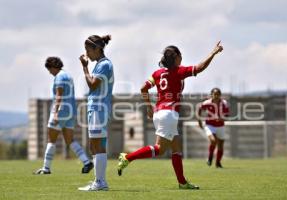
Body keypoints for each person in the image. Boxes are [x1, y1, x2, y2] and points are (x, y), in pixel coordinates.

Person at [117, 41, 223, 189]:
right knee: (159, 150)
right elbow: (200, 68)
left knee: (176, 148)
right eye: (180, 56)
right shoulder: (179, 71)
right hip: (169, 115)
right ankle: (127, 157)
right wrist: (213, 52)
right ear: (176, 57)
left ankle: (182, 182)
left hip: (159, 112)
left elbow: (143, 88)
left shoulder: (157, 73)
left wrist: (149, 108)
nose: (182, 58)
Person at [35, 57, 93, 175]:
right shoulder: (68, 76)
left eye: (49, 69)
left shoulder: (59, 77)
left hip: (61, 111)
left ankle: (46, 168)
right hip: (71, 111)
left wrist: (55, 113)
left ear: (53, 66)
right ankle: (87, 162)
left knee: (51, 139)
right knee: (69, 140)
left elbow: (58, 96)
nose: (49, 72)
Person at [77, 35, 114, 191]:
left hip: (99, 108)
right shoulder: (100, 64)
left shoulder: (104, 65)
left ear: (97, 49)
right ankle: (99, 181)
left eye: (88, 50)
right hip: (97, 108)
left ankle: (100, 182)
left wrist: (84, 67)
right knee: (95, 145)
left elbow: (92, 85)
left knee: (96, 145)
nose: (87, 53)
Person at [198, 88, 229, 168]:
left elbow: (227, 114)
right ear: (211, 95)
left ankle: (218, 163)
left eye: (218, 94)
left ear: (220, 95)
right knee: (213, 140)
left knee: (221, 144)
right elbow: (199, 108)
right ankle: (210, 157)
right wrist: (199, 121)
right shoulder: (207, 102)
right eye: (215, 94)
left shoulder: (224, 103)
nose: (216, 96)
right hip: (209, 125)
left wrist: (221, 118)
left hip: (220, 125)